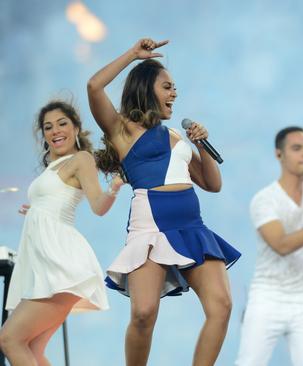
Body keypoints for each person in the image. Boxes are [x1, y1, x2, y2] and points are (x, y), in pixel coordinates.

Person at [87, 38, 240, 365]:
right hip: (151, 227)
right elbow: (94, 86)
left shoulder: (177, 136)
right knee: (143, 313)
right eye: (167, 86)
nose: (174, 93)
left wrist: (201, 145)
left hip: (191, 228)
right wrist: (132, 55)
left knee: (221, 307)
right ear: (146, 88)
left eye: (175, 88)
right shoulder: (122, 130)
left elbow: (212, 184)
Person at [0, 101, 121, 365]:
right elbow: (57, 200)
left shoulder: (81, 159)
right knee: (31, 349)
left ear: (76, 127)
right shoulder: (53, 167)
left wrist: (113, 188)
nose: (55, 130)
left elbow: (98, 206)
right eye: (48, 127)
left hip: (61, 266)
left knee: (10, 339)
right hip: (44, 265)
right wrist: (36, 211)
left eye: (62, 123)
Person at [235, 126, 303, 366]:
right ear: (279, 155)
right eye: (296, 149)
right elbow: (281, 245)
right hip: (267, 295)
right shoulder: (264, 199)